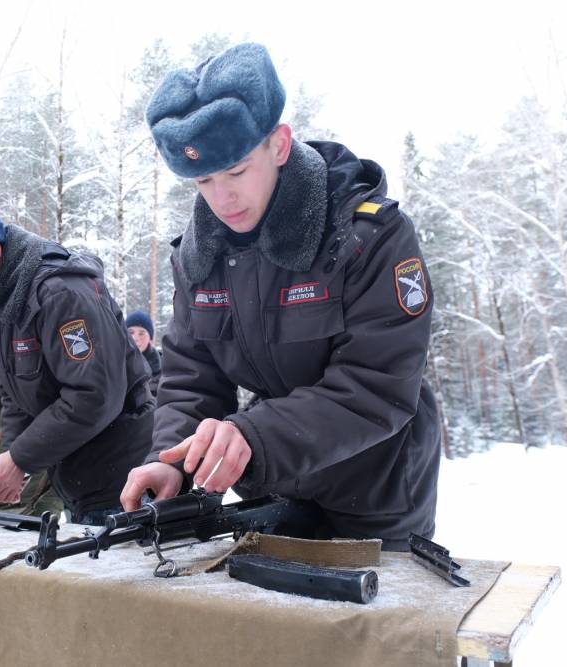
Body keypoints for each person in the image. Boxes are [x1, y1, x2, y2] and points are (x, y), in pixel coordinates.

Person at [120, 43, 439, 550]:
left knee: (367, 628)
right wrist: (170, 462)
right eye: (203, 180)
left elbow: (378, 385)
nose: (222, 199)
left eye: (238, 171)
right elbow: (189, 380)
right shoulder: (198, 261)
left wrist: (253, 436)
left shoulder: (369, 236)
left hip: (377, 491)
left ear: (280, 145)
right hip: (272, 488)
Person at [0, 200, 154, 526]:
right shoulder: (0, 303)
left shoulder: (60, 293)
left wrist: (20, 459)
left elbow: (94, 395)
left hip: (123, 483)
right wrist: (13, 460)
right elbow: (14, 391)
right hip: (80, 481)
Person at [0, 365, 63, 517]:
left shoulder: (60, 362)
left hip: (42, 490)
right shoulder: (10, 362)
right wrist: (8, 365)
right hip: (1, 484)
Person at [125, 311, 161, 399]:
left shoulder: (165, 369)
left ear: (150, 338)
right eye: (130, 332)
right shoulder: (113, 364)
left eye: (141, 333)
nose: (135, 338)